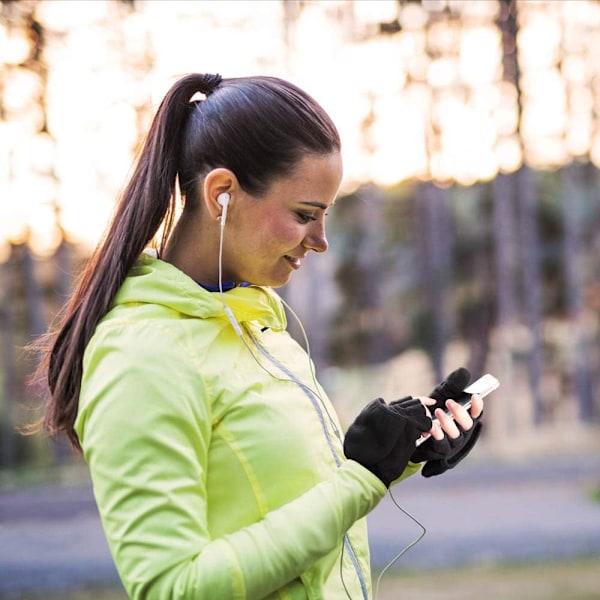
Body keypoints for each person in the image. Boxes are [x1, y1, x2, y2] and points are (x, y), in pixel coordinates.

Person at [38, 73, 484, 600]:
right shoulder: (141, 355)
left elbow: (286, 500)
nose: (320, 241)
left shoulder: (258, 324)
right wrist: (359, 480)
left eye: (325, 216)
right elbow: (170, 586)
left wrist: (403, 453)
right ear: (222, 194)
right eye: (304, 215)